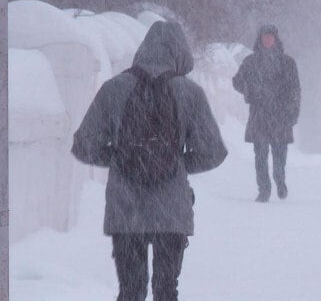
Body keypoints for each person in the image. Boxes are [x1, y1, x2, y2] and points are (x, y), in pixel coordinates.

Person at [72, 21, 227, 301]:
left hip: (125, 209)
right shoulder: (190, 93)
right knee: (166, 291)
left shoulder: (114, 88)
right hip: (171, 211)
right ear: (179, 54)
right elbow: (214, 151)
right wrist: (178, 163)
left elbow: (83, 145)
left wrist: (119, 158)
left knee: (131, 291)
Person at [232, 24, 300, 202]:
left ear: (276, 39)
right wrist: (249, 90)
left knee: (279, 156)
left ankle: (280, 180)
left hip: (281, 116)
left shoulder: (288, 63)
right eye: (265, 36)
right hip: (259, 116)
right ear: (260, 39)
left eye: (271, 36)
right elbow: (237, 81)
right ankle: (264, 189)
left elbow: (295, 90)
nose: (268, 39)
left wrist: (293, 113)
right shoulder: (250, 62)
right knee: (260, 156)